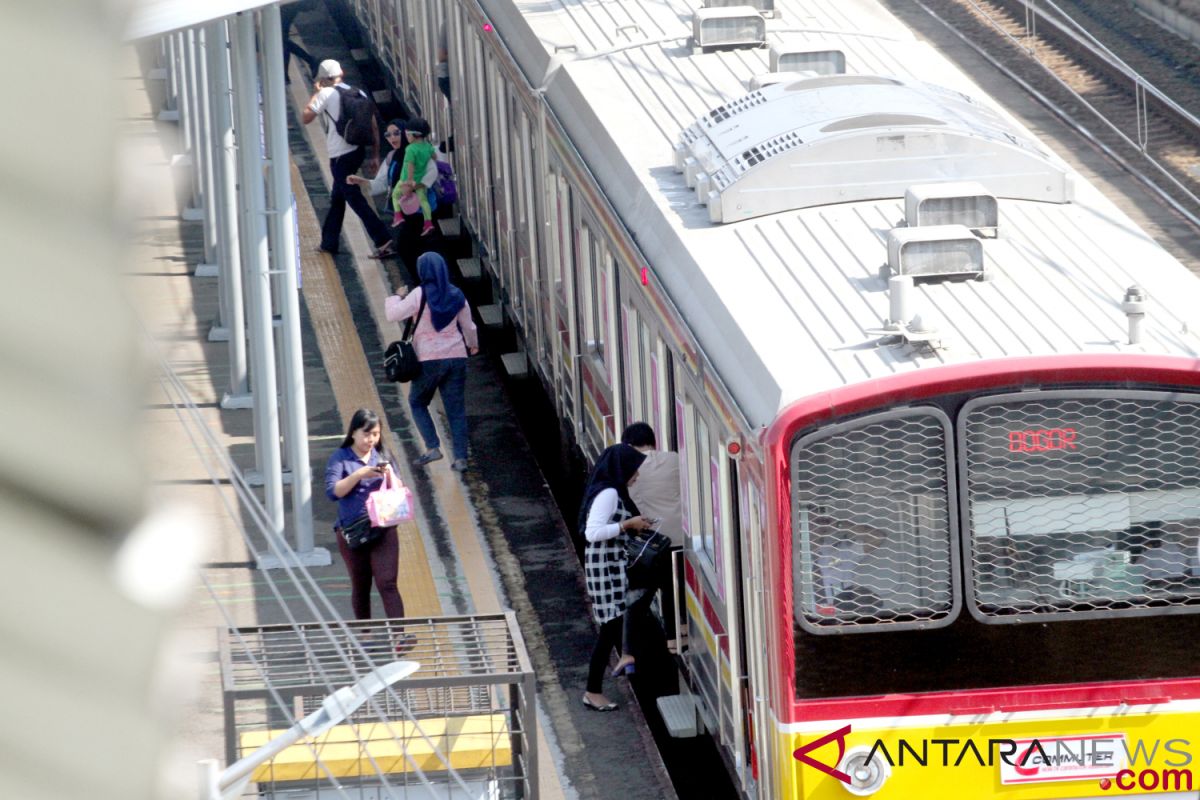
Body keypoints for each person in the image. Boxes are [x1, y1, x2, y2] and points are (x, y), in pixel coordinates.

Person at [324, 409, 413, 651]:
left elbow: (399, 488)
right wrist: (360, 474)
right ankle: (365, 634)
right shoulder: (340, 458)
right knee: (361, 583)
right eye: (366, 434)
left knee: (387, 582)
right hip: (352, 532)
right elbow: (333, 491)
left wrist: (391, 475)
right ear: (353, 432)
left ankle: (399, 637)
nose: (371, 440)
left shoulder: (383, 455)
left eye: (375, 434)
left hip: (383, 529)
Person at [384, 252, 479, 472]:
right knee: (456, 410)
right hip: (456, 357)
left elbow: (393, 315)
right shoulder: (456, 294)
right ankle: (461, 458)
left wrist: (395, 296)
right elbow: (469, 326)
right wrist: (473, 344)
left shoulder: (419, 294)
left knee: (418, 402)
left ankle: (433, 447)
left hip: (428, 360)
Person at [580, 443, 656, 712]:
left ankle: (626, 656)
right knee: (609, 627)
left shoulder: (613, 489)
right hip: (605, 567)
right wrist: (628, 524)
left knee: (617, 619)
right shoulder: (609, 493)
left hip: (611, 563)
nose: (636, 476)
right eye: (634, 471)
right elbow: (592, 532)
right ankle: (592, 690)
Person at [301, 59, 393, 257]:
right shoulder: (357, 92)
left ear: (323, 79)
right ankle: (329, 242)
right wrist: (375, 155)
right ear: (341, 73)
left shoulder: (325, 93)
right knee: (337, 198)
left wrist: (317, 92)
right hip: (356, 151)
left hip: (340, 156)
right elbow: (374, 125)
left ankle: (383, 240)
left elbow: (306, 117)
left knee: (354, 199)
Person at [621, 422, 685, 648]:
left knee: (659, 585)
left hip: (654, 541)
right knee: (675, 586)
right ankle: (680, 632)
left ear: (628, 445)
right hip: (680, 535)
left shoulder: (628, 467)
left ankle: (670, 639)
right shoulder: (674, 459)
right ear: (653, 441)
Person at [392, 118, 435, 236]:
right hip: (420, 179)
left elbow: (409, 164)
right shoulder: (427, 146)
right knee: (423, 200)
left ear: (414, 135)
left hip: (406, 179)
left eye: (407, 134)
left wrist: (408, 181)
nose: (406, 137)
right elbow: (434, 157)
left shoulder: (410, 149)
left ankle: (398, 216)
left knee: (395, 195)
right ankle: (428, 223)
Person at [280, 0, 318, 82]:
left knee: (283, 42)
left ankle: (285, 73)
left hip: (286, 8)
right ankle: (285, 73)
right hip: (287, 7)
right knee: (284, 42)